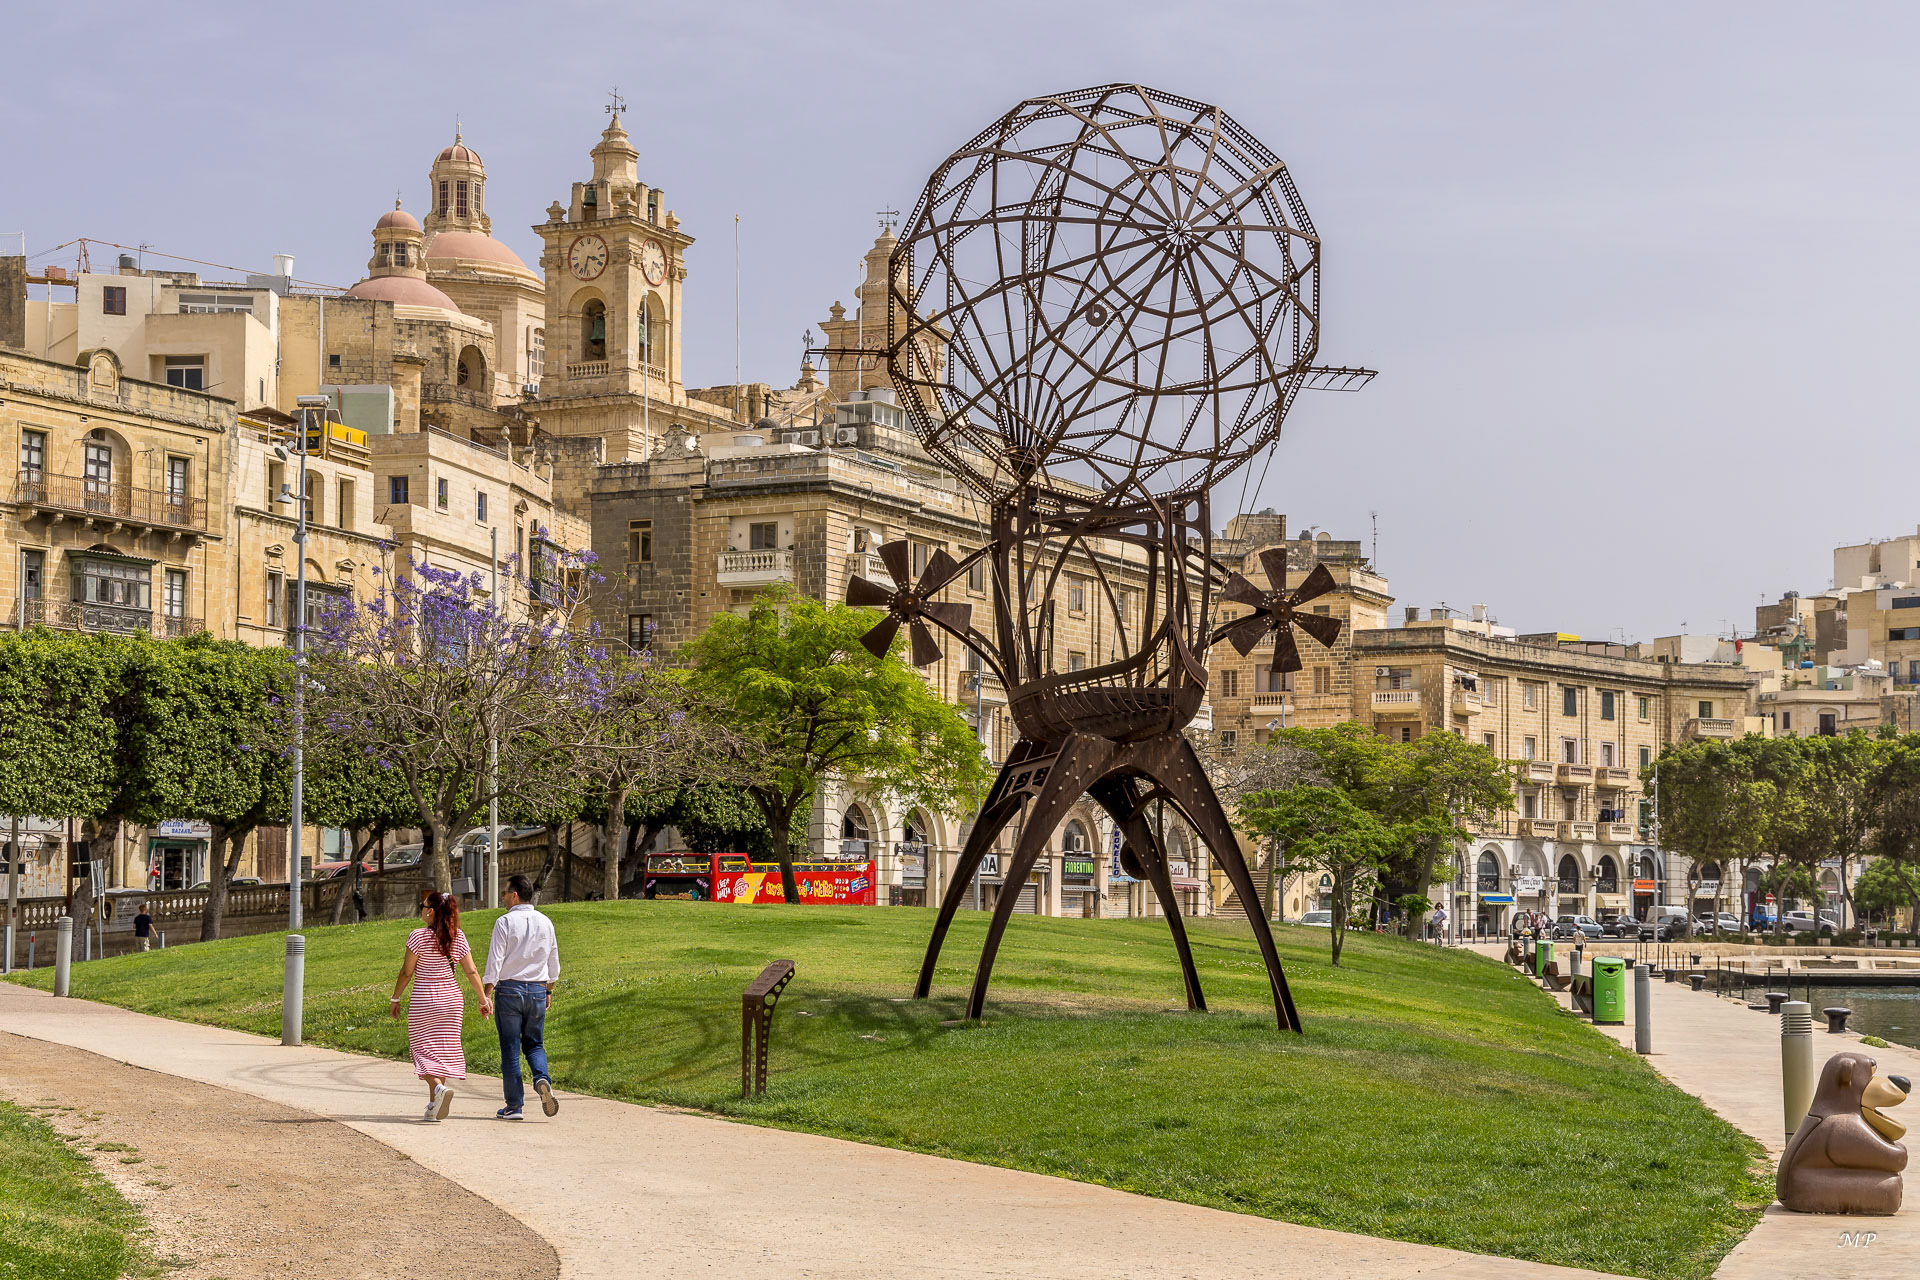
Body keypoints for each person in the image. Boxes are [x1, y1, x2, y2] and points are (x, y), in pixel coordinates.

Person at [391, 890, 490, 1123]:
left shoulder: (418, 936)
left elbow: (407, 972)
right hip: (452, 999)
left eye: (422, 906)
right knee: (442, 1049)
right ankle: (435, 1105)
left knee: (422, 1048)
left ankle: (437, 1089)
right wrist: (483, 1000)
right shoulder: (458, 936)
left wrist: (395, 998)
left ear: (431, 911)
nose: (421, 910)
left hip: (425, 997)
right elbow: (471, 971)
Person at [483, 874, 561, 1120]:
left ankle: (514, 1106)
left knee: (510, 1048)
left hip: (509, 990)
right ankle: (541, 1079)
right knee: (535, 1044)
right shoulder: (546, 922)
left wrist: (486, 994)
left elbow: (495, 961)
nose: (504, 897)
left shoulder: (504, 922)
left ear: (514, 895)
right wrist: (548, 991)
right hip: (537, 989)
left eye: (505, 893)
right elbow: (553, 961)